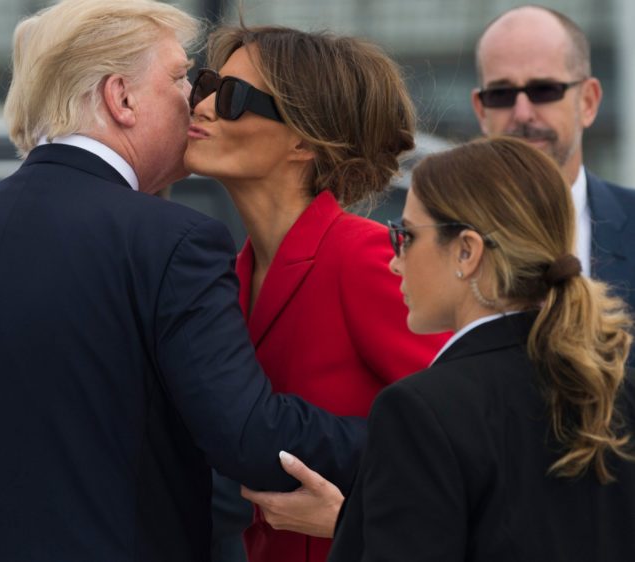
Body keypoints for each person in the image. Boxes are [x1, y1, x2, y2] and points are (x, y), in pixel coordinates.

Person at [0, 2, 365, 561]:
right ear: (121, 98)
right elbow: (248, 437)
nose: (194, 98)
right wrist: (403, 443)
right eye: (179, 77)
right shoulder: (173, 242)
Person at [252, 137, 635, 561]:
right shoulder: (612, 387)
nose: (395, 259)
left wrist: (355, 526)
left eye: (406, 235)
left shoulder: (421, 411)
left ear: (467, 251)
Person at [185, 26, 447, 562]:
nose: (203, 106)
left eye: (231, 97)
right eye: (206, 85)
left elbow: (465, 440)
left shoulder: (361, 257)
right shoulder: (233, 276)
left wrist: (355, 521)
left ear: (303, 142)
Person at [471, 5, 635, 313]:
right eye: (501, 94)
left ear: (588, 101)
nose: (522, 113)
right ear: (481, 110)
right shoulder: (430, 244)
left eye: (544, 90)